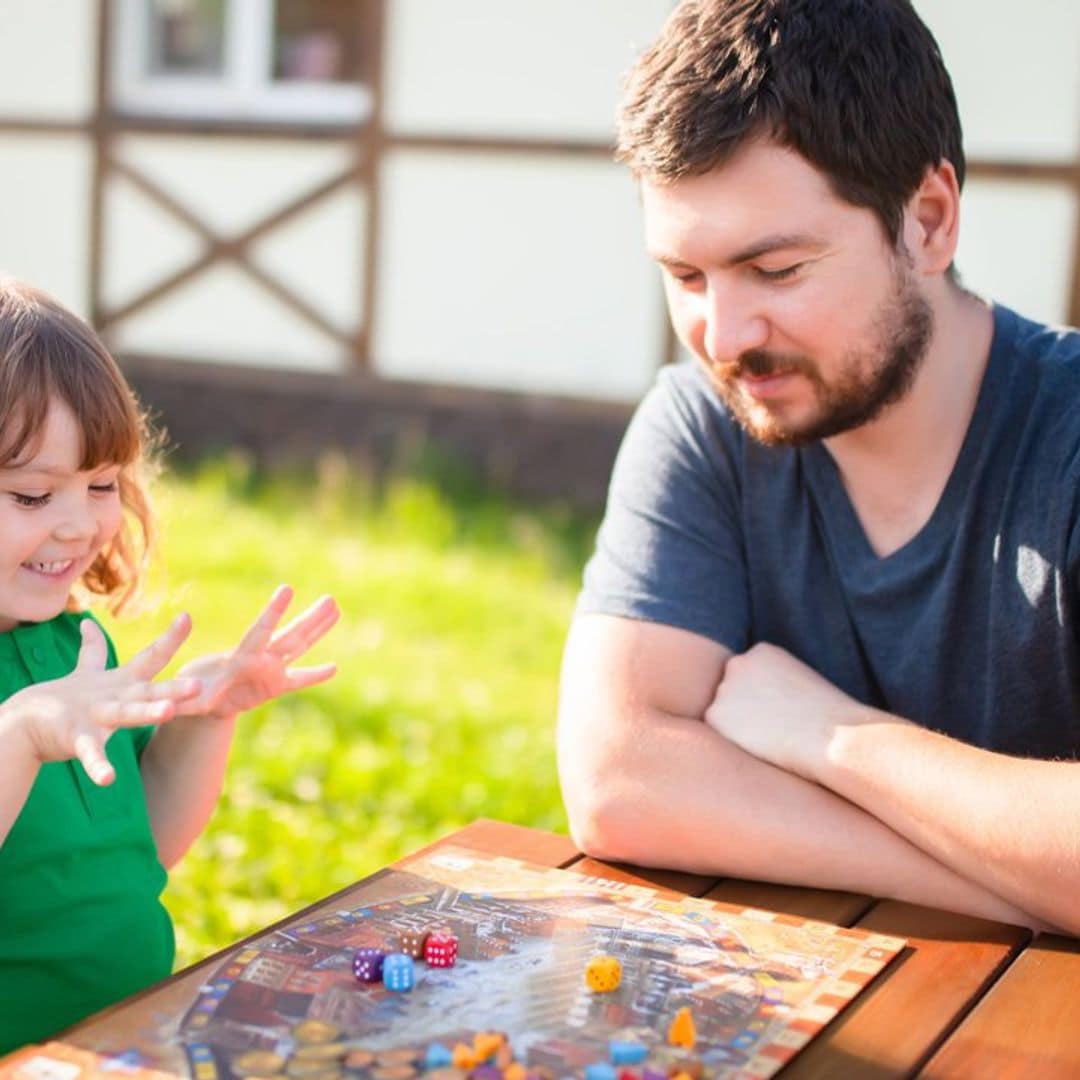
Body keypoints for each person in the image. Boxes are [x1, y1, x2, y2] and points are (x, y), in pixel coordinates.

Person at [558, 0, 1080, 935]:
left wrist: (832, 737)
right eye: (686, 276)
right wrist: (1024, 882)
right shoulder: (701, 427)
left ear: (927, 222)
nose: (723, 336)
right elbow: (618, 782)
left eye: (777, 269)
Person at [0, 280, 340, 1051]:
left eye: (101, 485)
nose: (81, 522)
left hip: (121, 1040)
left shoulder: (73, 647)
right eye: (30, 495)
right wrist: (18, 736)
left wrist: (204, 716)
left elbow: (141, 846)